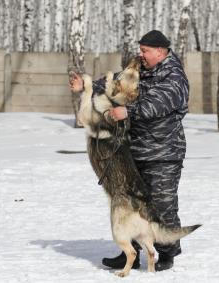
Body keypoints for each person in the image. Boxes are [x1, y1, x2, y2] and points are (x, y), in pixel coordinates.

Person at [70, 30, 189, 271]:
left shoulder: (174, 76)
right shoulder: (142, 69)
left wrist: (129, 111)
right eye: (141, 49)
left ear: (160, 51)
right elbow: (116, 83)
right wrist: (87, 84)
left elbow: (158, 103)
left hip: (163, 153)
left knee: (162, 203)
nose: (141, 54)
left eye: (145, 50)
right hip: (133, 150)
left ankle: (166, 252)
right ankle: (130, 251)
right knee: (130, 202)